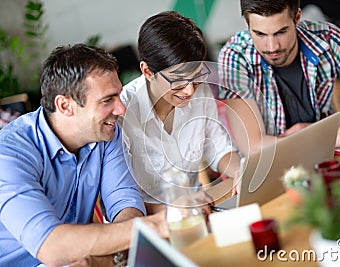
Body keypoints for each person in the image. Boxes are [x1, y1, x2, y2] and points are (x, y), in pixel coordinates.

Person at [0, 44, 168, 267]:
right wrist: (155, 226)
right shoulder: (10, 154)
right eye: (108, 100)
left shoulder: (105, 132)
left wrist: (110, 255)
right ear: (65, 105)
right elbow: (51, 247)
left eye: (118, 95)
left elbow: (124, 202)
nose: (121, 109)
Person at [218, 0, 340, 155]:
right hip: (273, 170)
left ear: (297, 17)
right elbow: (254, 148)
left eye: (281, 32)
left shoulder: (327, 37)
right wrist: (327, 136)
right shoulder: (234, 58)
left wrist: (327, 131)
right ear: (246, 24)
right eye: (260, 34)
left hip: (329, 157)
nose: (272, 47)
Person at [120, 11, 242, 215]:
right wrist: (174, 209)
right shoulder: (122, 113)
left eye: (196, 78)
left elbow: (218, 148)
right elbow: (121, 200)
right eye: (177, 81)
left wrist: (240, 171)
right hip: (151, 225)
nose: (189, 91)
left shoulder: (199, 91)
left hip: (199, 212)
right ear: (147, 71)